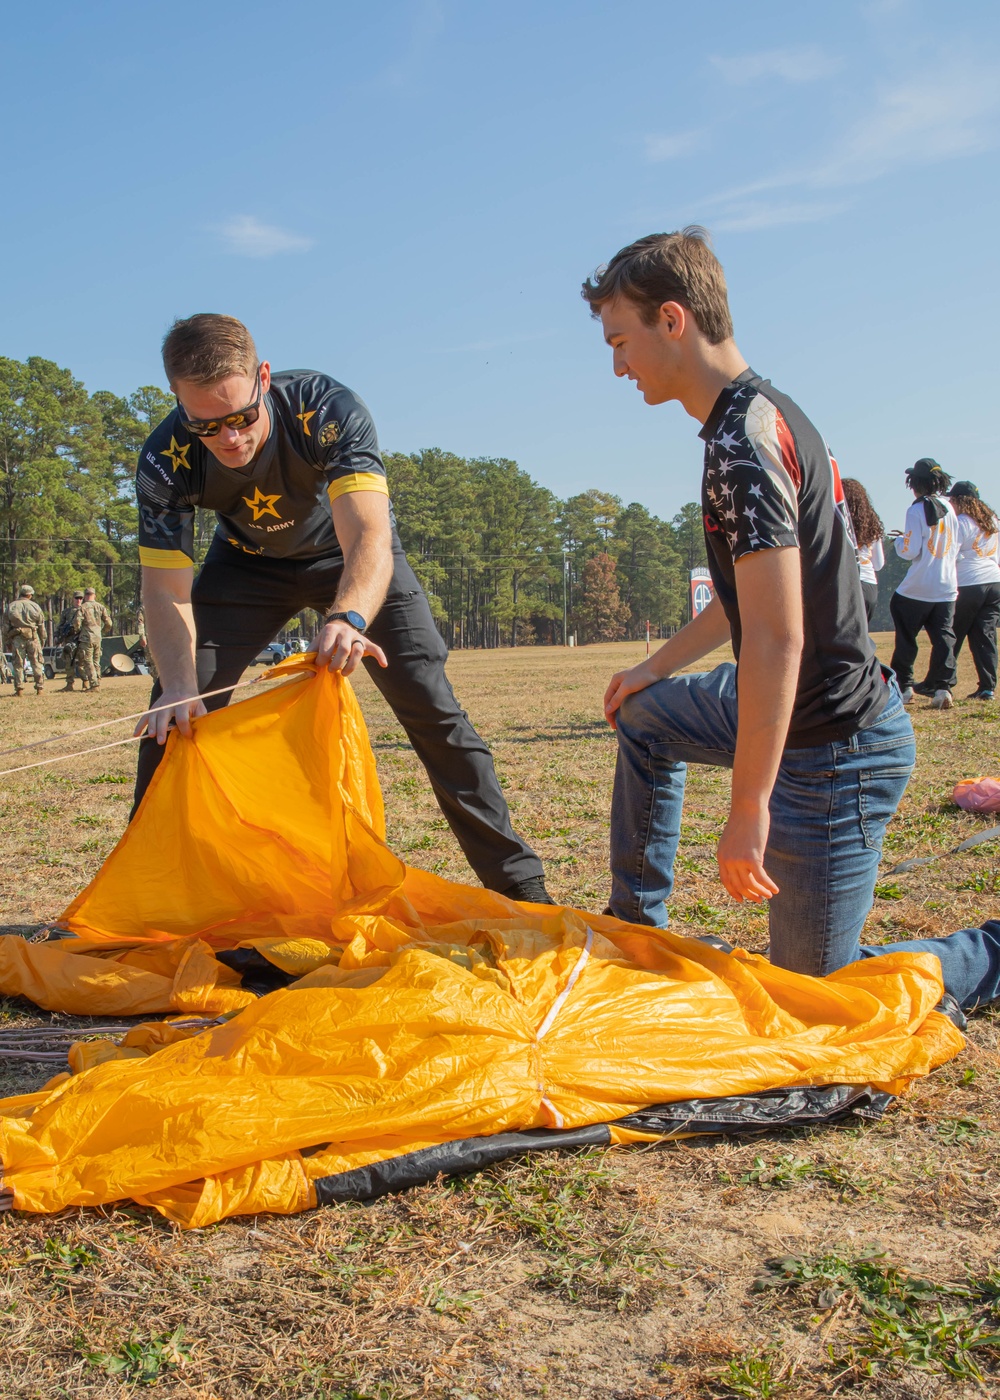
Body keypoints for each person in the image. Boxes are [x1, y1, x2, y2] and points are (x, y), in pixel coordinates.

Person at [581, 227, 915, 979]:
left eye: (620, 341)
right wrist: (648, 669)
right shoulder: (751, 416)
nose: (617, 366)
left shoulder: (743, 438)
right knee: (643, 715)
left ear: (673, 319)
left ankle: (983, 952)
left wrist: (748, 808)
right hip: (786, 712)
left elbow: (776, 638)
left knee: (812, 996)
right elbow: (743, 601)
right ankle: (638, 931)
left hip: (836, 748)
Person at [131, 313, 550, 904]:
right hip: (246, 566)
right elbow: (166, 590)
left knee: (431, 706)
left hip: (348, 555)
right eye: (207, 425)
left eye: (242, 417)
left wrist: (349, 615)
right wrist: (176, 684)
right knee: (172, 716)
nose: (229, 439)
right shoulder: (163, 459)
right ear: (178, 402)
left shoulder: (326, 408)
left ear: (264, 379)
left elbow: (370, 538)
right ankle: (143, 898)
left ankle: (521, 887)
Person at [889, 460, 959, 709]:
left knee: (906, 637)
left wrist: (899, 543)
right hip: (947, 587)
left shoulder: (915, 510)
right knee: (943, 639)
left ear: (914, 484)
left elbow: (910, 551)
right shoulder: (950, 507)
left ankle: (905, 686)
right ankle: (943, 687)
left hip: (918, 587)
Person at [947, 481, 999, 701]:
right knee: (985, 636)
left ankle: (943, 683)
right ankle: (988, 688)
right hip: (994, 582)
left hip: (969, 583)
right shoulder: (993, 522)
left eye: (952, 500)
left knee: (952, 634)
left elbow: (951, 552)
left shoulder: (960, 522)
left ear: (959, 500)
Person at [841, 478, 884, 626]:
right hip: (869, 586)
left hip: (846, 584)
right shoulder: (873, 523)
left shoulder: (838, 521)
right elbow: (878, 564)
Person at [3, 585, 46, 696]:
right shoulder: (35, 606)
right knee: (37, 663)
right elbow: (41, 626)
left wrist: (7, 641)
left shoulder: (11, 606)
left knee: (18, 664)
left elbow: (5, 627)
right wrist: (42, 640)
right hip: (33, 638)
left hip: (17, 638)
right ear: (30, 595)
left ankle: (19, 689)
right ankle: (39, 688)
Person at [77, 587, 112, 690]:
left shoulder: (82, 608)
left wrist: (79, 631)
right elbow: (109, 623)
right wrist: (102, 631)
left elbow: (77, 623)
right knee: (96, 661)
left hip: (86, 637)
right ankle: (98, 680)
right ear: (94, 595)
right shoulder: (100, 607)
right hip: (98, 637)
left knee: (88, 661)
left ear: (85, 596)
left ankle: (94, 684)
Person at [56, 591, 85, 690]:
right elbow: (60, 625)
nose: (79, 600)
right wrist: (58, 636)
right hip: (69, 640)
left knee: (83, 663)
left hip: (82, 640)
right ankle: (69, 684)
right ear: (72, 599)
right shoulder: (66, 612)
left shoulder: (85, 610)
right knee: (69, 663)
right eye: (77, 598)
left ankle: (85, 683)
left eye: (81, 598)